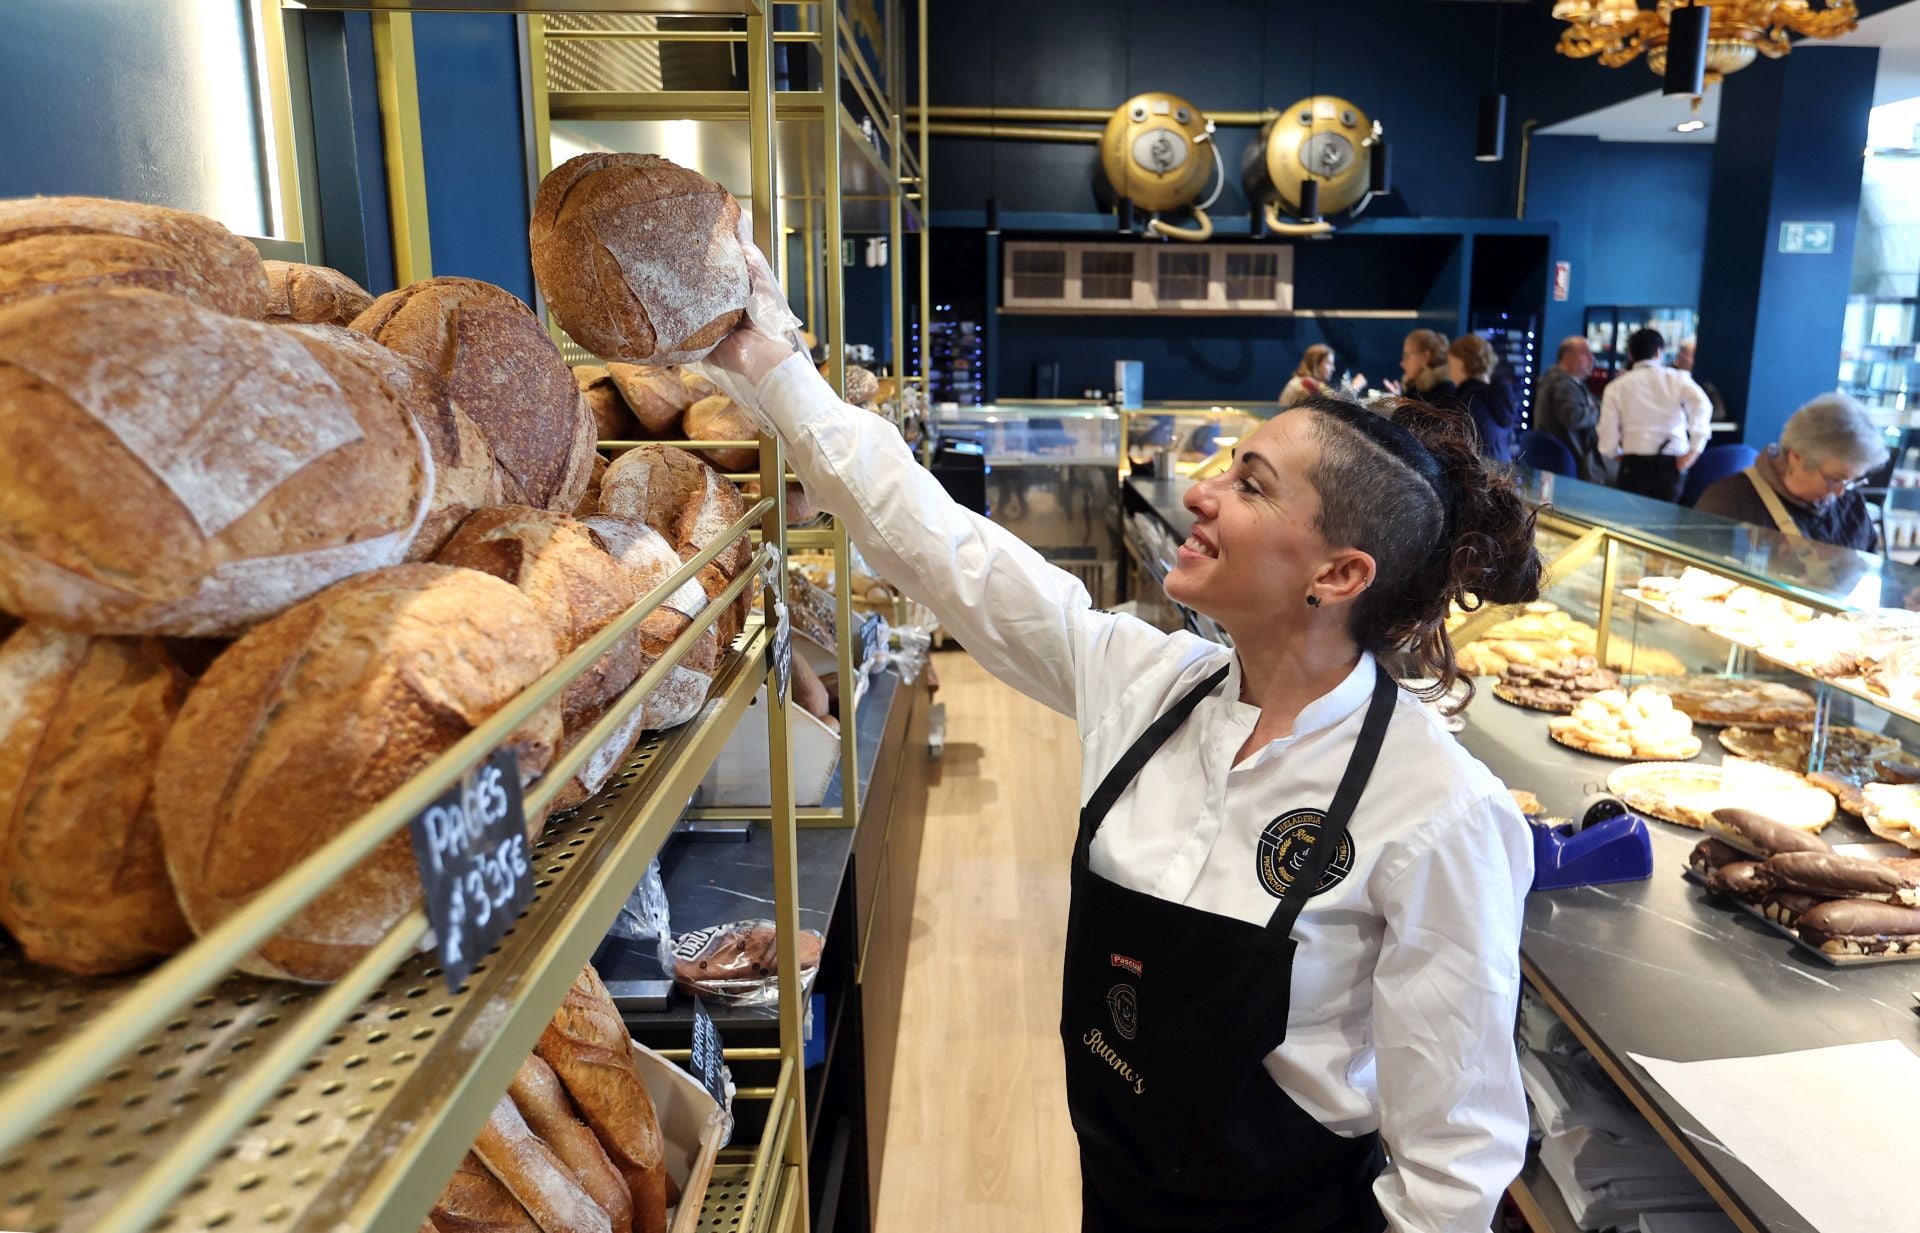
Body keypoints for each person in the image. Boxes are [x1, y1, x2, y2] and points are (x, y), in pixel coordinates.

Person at [707, 241, 1539, 1233]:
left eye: (1253, 485)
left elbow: (1455, 1152)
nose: (1202, 492)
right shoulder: (1148, 685)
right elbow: (935, 542)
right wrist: (766, 361)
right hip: (1115, 1198)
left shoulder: (1438, 810)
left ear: (1339, 574)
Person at [1695, 393, 1887, 551]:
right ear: (1796, 457)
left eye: (1851, 481)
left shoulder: (1850, 504)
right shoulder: (1727, 503)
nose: (1841, 492)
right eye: (1834, 480)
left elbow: (1869, 568)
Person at [1597, 327, 1712, 503]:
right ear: (1659, 352)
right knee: (1665, 523)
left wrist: (1617, 454)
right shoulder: (1677, 378)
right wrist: (1694, 451)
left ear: (1630, 355)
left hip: (1633, 464)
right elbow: (1703, 406)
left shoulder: (1616, 387)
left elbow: (1607, 433)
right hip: (1672, 463)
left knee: (1630, 525)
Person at [1534, 336, 1608, 484]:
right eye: (1586, 353)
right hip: (1573, 467)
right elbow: (1574, 417)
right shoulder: (1564, 384)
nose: (1592, 358)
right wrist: (1599, 410)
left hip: (1558, 463)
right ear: (1567, 356)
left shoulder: (1554, 379)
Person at [1447, 332, 1517, 463]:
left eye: (1451, 365)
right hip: (1501, 476)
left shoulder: (1468, 401)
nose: (1450, 373)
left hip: (1475, 477)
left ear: (1461, 363)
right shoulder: (1501, 397)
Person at [1382, 328, 1454, 404]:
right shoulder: (1417, 388)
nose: (1402, 363)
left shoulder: (1442, 392)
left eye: (1407, 356)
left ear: (1425, 356)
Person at [1672, 337, 1727, 424]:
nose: (1682, 358)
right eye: (1681, 353)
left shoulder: (1705, 385)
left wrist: (1690, 416)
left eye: (1687, 355)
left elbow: (1719, 413)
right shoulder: (1666, 378)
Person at [1280, 344, 1336, 408]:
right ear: (1315, 363)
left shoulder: (1300, 380)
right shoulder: (1306, 384)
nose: (1333, 369)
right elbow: (1337, 403)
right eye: (1329, 363)